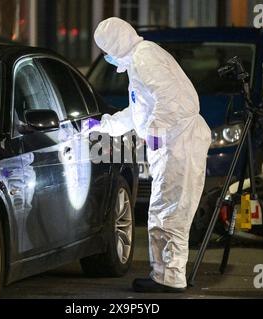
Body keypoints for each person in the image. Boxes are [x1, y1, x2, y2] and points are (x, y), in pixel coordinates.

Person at [88, 17, 211, 293]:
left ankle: (169, 278)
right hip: (174, 142)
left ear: (114, 45)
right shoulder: (139, 59)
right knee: (165, 211)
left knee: (170, 213)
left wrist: (155, 131)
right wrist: (106, 125)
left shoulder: (145, 59)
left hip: (179, 144)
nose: (107, 57)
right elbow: (139, 111)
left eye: (106, 49)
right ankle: (166, 274)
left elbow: (170, 97)